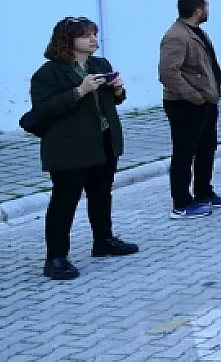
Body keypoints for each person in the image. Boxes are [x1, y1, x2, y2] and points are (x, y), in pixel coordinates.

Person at [26, 16, 139, 280]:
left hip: (103, 141)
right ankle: (56, 257)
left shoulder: (99, 64)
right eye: (86, 35)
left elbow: (113, 102)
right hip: (69, 147)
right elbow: (43, 110)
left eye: (94, 34)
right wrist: (79, 91)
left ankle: (104, 240)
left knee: (102, 194)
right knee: (64, 201)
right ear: (68, 40)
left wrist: (119, 90)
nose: (93, 40)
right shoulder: (48, 73)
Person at [159, 0, 221, 221]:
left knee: (206, 149)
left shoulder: (195, 32)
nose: (208, 11)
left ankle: (203, 193)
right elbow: (168, 72)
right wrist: (193, 96)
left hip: (205, 102)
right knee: (184, 153)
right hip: (186, 104)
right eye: (207, 7)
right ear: (198, 10)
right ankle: (181, 202)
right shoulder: (177, 36)